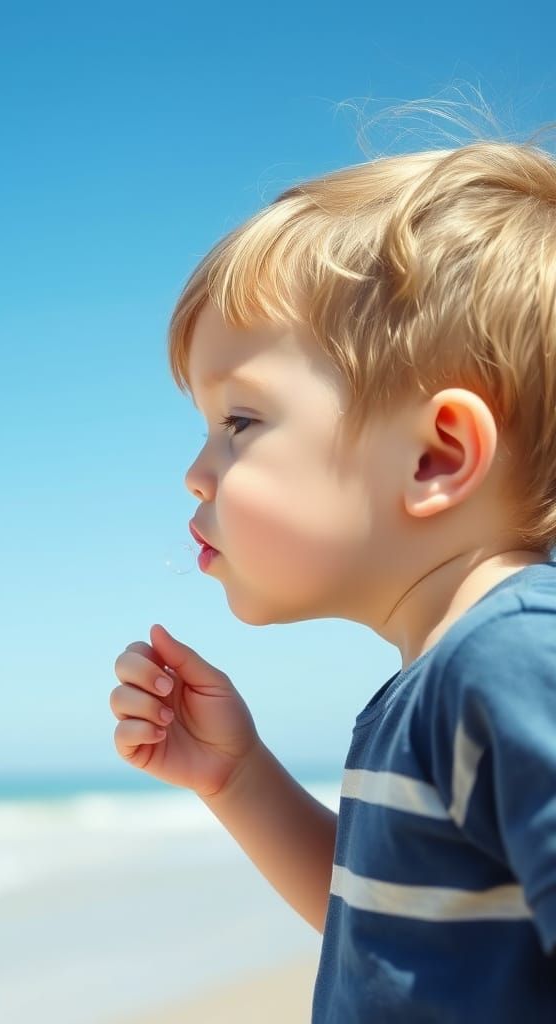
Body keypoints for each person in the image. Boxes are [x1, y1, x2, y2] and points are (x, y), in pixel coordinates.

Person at [110, 133, 556, 1021]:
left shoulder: (508, 660)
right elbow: (388, 941)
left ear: (436, 455)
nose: (197, 473)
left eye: (239, 420)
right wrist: (238, 780)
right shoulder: (435, 682)